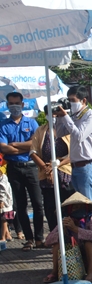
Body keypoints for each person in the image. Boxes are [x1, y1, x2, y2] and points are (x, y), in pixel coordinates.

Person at [54, 86, 92, 234]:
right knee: (82, 207)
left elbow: (79, 135)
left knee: (91, 208)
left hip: (87, 167)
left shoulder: (90, 115)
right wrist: (59, 116)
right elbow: (60, 133)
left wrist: (66, 117)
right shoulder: (74, 116)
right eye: (68, 100)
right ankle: (86, 239)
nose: (70, 104)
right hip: (75, 167)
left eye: (73, 101)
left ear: (83, 100)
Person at [0, 91, 45, 250]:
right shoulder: (3, 125)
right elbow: (3, 147)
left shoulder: (31, 123)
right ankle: (29, 239)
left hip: (32, 167)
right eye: (11, 104)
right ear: (7, 105)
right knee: (20, 205)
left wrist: (15, 145)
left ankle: (40, 238)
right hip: (14, 169)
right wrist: (25, 147)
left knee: (38, 204)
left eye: (17, 103)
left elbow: (36, 144)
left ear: (22, 104)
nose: (14, 107)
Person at [42, 192, 92, 284]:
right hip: (72, 257)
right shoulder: (66, 220)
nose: (77, 210)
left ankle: (91, 271)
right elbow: (47, 241)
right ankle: (54, 272)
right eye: (75, 208)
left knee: (89, 243)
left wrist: (76, 229)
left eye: (80, 207)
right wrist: (62, 230)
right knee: (57, 243)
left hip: (91, 256)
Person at [29, 122, 75, 231]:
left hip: (65, 173)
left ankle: (70, 237)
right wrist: (47, 169)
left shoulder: (68, 128)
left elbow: (74, 152)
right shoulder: (40, 130)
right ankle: (55, 238)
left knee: (69, 206)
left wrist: (57, 164)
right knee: (50, 208)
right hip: (46, 174)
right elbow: (33, 152)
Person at [0, 156, 14, 242]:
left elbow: (2, 189)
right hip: (6, 202)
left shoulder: (2, 177)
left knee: (4, 219)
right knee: (4, 219)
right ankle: (7, 234)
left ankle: (3, 236)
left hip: (4, 202)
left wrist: (1, 200)